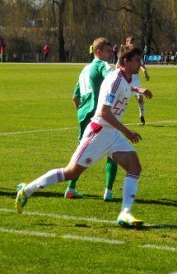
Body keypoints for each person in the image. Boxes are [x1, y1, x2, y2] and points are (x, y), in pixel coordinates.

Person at [15, 44, 151, 228]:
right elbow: (104, 112)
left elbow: (126, 87)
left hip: (112, 135)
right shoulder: (115, 79)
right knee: (71, 172)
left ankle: (125, 214)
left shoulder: (126, 78)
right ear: (125, 61)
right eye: (136, 60)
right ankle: (26, 190)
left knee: (134, 167)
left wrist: (139, 90)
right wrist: (126, 132)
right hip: (98, 133)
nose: (139, 64)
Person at [65, 37, 113, 200]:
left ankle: (71, 188)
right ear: (98, 51)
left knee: (82, 151)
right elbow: (112, 77)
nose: (110, 54)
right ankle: (108, 192)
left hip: (83, 113)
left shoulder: (84, 70)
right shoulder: (102, 65)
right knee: (114, 148)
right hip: (97, 113)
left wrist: (82, 111)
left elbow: (75, 97)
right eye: (108, 51)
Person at [123, 36, 150, 125]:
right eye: (130, 42)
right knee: (121, 97)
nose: (132, 43)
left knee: (139, 98)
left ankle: (141, 115)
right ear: (126, 42)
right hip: (125, 77)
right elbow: (118, 65)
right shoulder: (123, 53)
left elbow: (141, 65)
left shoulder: (136, 54)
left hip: (135, 79)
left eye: (133, 42)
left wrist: (145, 72)